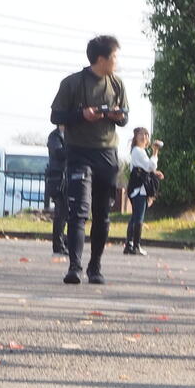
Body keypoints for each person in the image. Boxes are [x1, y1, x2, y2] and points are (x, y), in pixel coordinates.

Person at [50, 35, 129, 284]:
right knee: (78, 212)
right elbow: (56, 116)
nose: (117, 61)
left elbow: (125, 117)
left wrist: (117, 116)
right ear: (101, 59)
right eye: (114, 56)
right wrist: (81, 115)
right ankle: (74, 267)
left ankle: (95, 267)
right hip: (79, 153)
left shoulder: (117, 83)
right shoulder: (72, 83)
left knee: (102, 213)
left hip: (107, 154)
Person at [124, 128, 164, 256]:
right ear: (135, 138)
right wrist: (155, 152)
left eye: (146, 135)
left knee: (135, 217)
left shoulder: (141, 152)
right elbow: (150, 166)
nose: (144, 137)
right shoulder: (137, 151)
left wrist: (154, 172)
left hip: (138, 188)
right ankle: (136, 245)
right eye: (141, 134)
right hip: (139, 189)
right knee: (139, 218)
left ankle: (129, 245)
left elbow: (146, 168)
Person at [45, 124, 68, 256]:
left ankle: (65, 242)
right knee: (60, 212)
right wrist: (73, 149)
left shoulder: (70, 135)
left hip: (67, 177)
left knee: (68, 213)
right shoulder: (54, 136)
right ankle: (58, 245)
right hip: (57, 178)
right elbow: (59, 153)